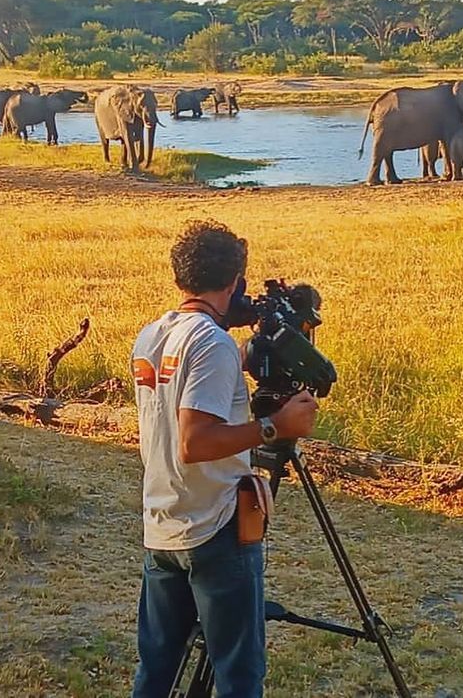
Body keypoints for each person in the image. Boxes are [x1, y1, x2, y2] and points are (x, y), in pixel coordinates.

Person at [131, 220, 318, 698]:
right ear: (235, 280)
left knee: (157, 672)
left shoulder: (152, 335)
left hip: (163, 523)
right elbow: (195, 441)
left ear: (181, 278)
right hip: (213, 526)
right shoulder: (211, 344)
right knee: (239, 677)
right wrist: (277, 426)